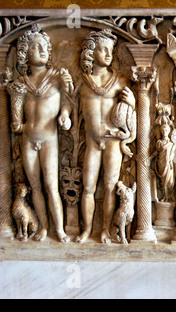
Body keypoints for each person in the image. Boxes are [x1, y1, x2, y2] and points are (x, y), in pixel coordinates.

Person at [8, 24, 72, 243]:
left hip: (49, 138)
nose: (43, 50)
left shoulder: (56, 77)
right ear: (25, 54)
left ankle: (60, 230)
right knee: (35, 187)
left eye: (45, 47)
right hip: (28, 138)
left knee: (51, 186)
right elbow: (16, 117)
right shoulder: (21, 83)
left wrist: (65, 114)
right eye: (36, 47)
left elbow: (67, 103)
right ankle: (44, 227)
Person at [76, 29, 136, 244]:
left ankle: (104, 231)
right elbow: (70, 106)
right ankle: (87, 230)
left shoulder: (119, 81)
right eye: (102, 49)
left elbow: (131, 114)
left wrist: (133, 103)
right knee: (88, 187)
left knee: (110, 186)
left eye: (110, 50)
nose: (108, 54)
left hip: (113, 141)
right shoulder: (83, 82)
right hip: (92, 141)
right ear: (91, 53)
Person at [146, 124, 176, 202]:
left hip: (168, 163)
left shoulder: (172, 143)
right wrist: (150, 158)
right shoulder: (159, 142)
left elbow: (173, 153)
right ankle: (165, 196)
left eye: (166, 130)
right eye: (163, 130)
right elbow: (156, 152)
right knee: (162, 181)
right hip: (161, 162)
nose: (164, 132)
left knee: (170, 180)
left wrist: (170, 159)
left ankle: (171, 196)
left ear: (169, 131)